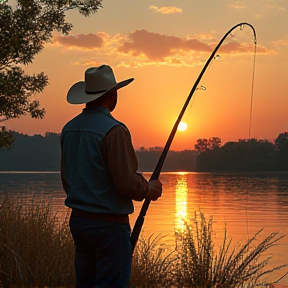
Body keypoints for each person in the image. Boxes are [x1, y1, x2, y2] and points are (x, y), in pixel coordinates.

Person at [60, 65, 162, 288]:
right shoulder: (114, 130)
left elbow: (67, 180)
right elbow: (127, 183)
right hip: (108, 225)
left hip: (78, 222)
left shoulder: (69, 129)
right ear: (111, 95)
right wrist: (149, 189)